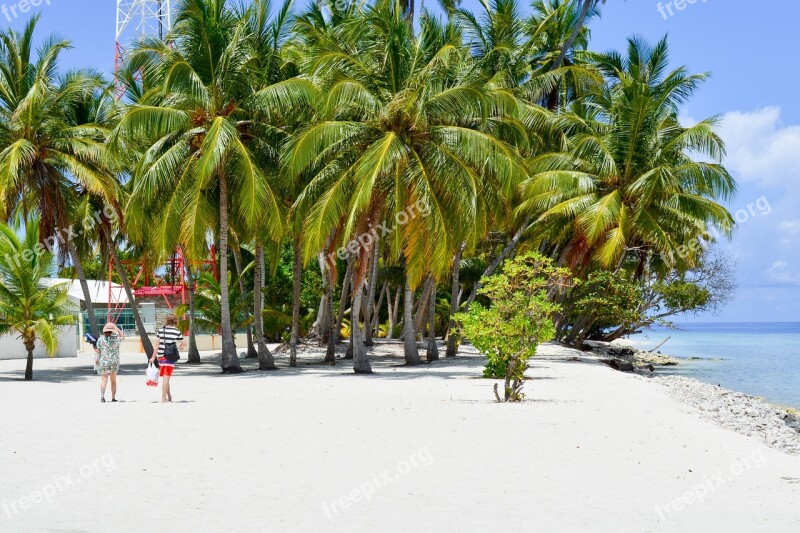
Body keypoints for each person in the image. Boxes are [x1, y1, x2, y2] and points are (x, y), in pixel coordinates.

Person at [150, 314, 185, 403]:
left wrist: (153, 357)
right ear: (175, 321)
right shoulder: (176, 331)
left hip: (161, 356)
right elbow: (184, 343)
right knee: (166, 377)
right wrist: (181, 347)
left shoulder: (161, 330)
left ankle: (168, 396)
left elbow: (157, 345)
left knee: (166, 377)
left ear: (167, 321)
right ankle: (163, 398)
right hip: (170, 357)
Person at [95, 322, 124, 403]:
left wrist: (93, 347)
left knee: (104, 380)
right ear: (112, 331)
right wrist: (117, 329)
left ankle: (102, 396)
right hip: (114, 362)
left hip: (104, 362)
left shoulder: (100, 339)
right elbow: (123, 337)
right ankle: (113, 397)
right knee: (113, 381)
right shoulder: (116, 339)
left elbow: (98, 351)